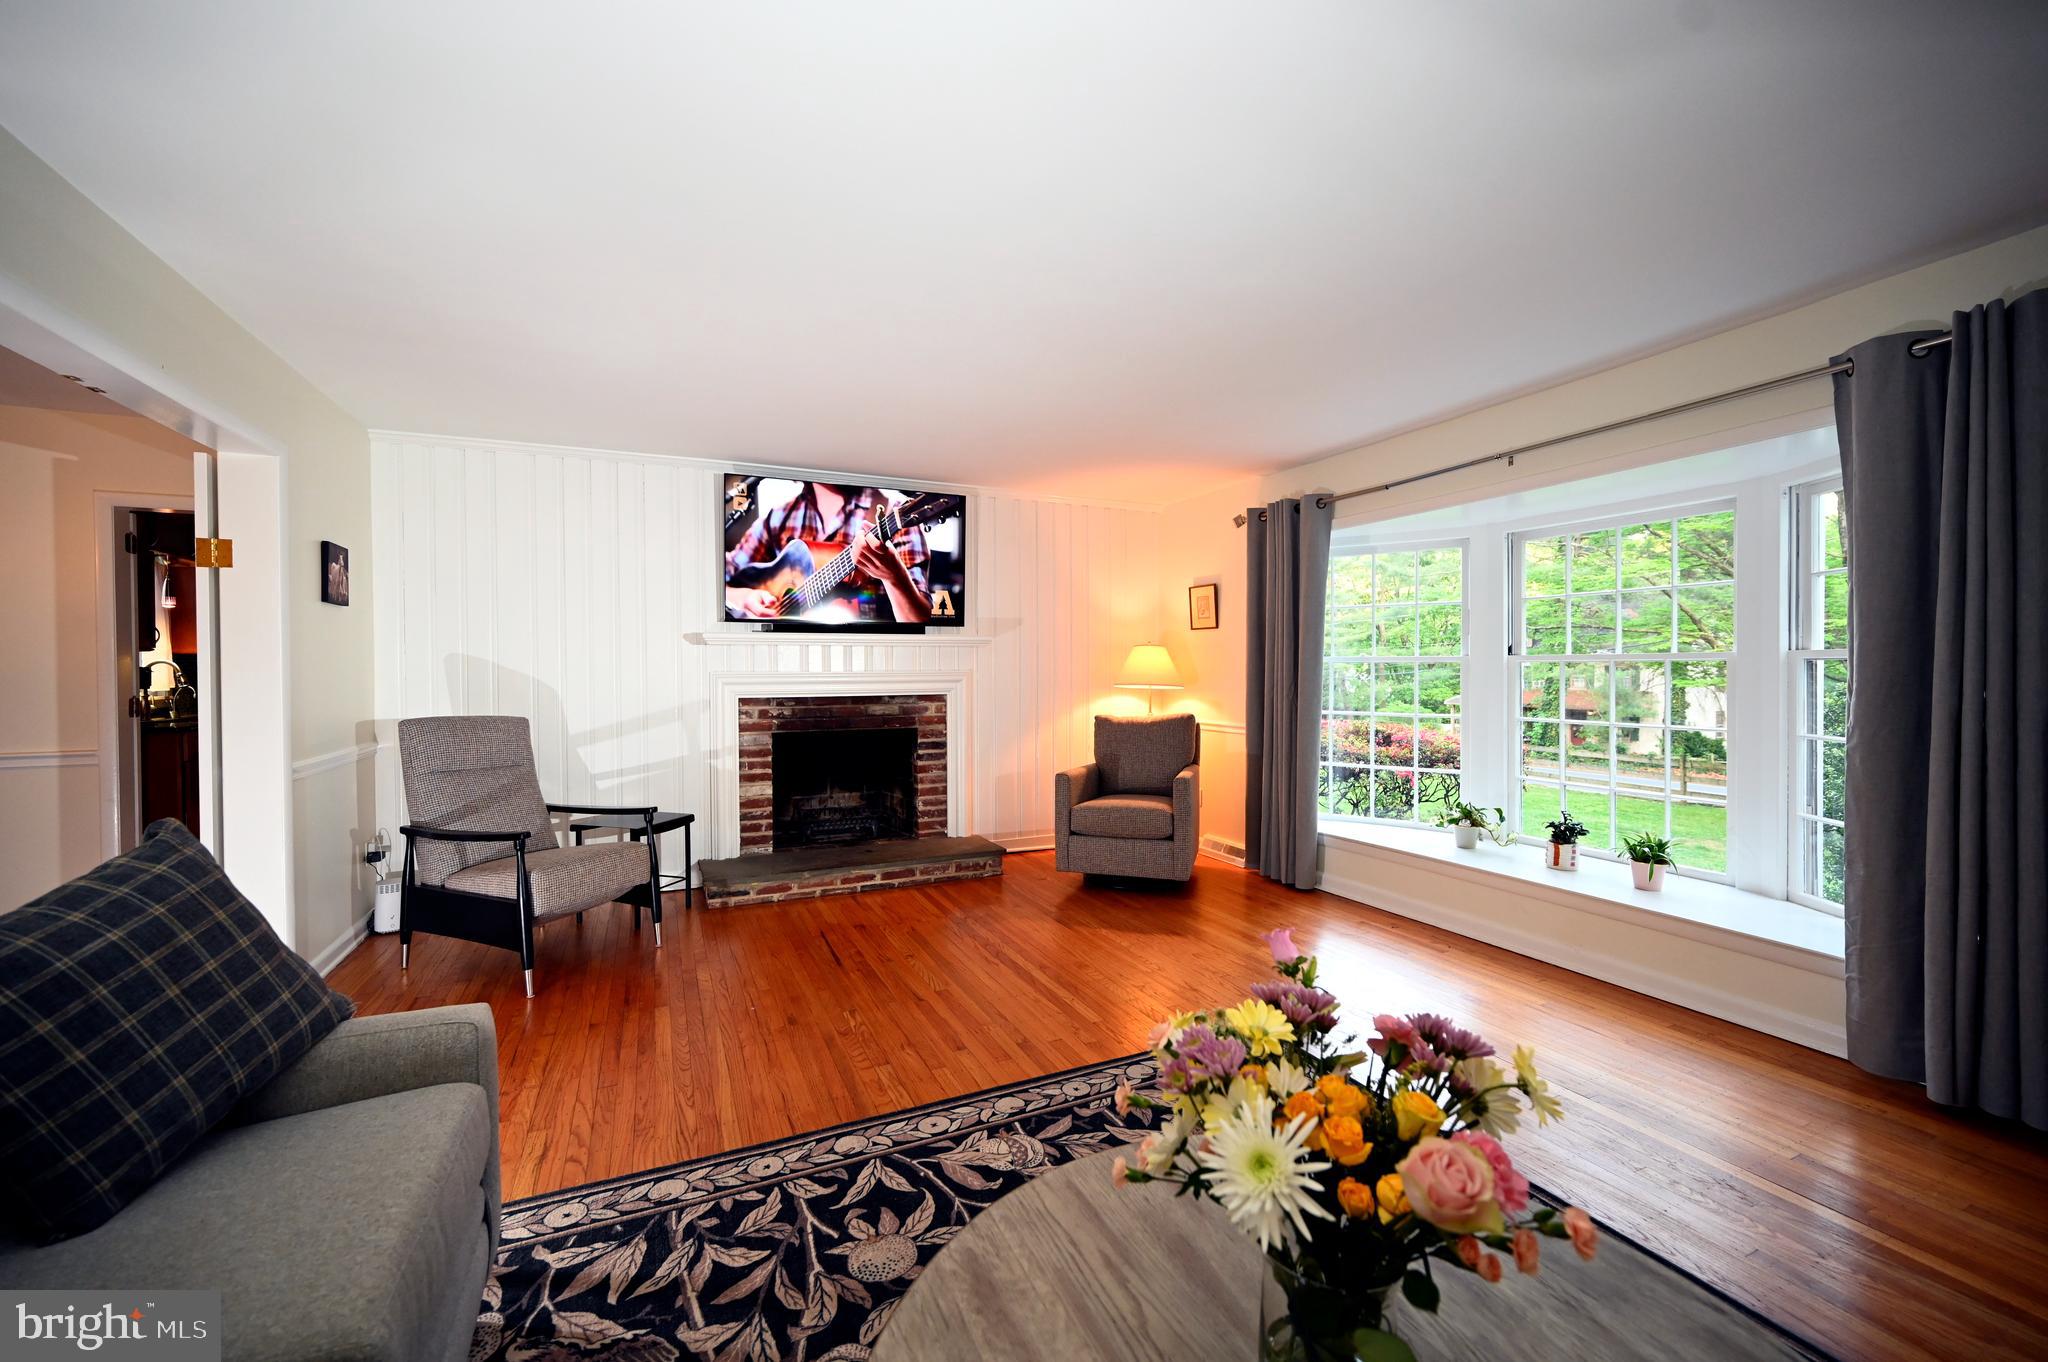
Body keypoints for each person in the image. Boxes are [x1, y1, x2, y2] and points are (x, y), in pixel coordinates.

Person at [725, 482, 932, 623]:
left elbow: (919, 621)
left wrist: (893, 577)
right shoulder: (779, 517)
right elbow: (720, 581)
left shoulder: (891, 513)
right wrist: (744, 597)